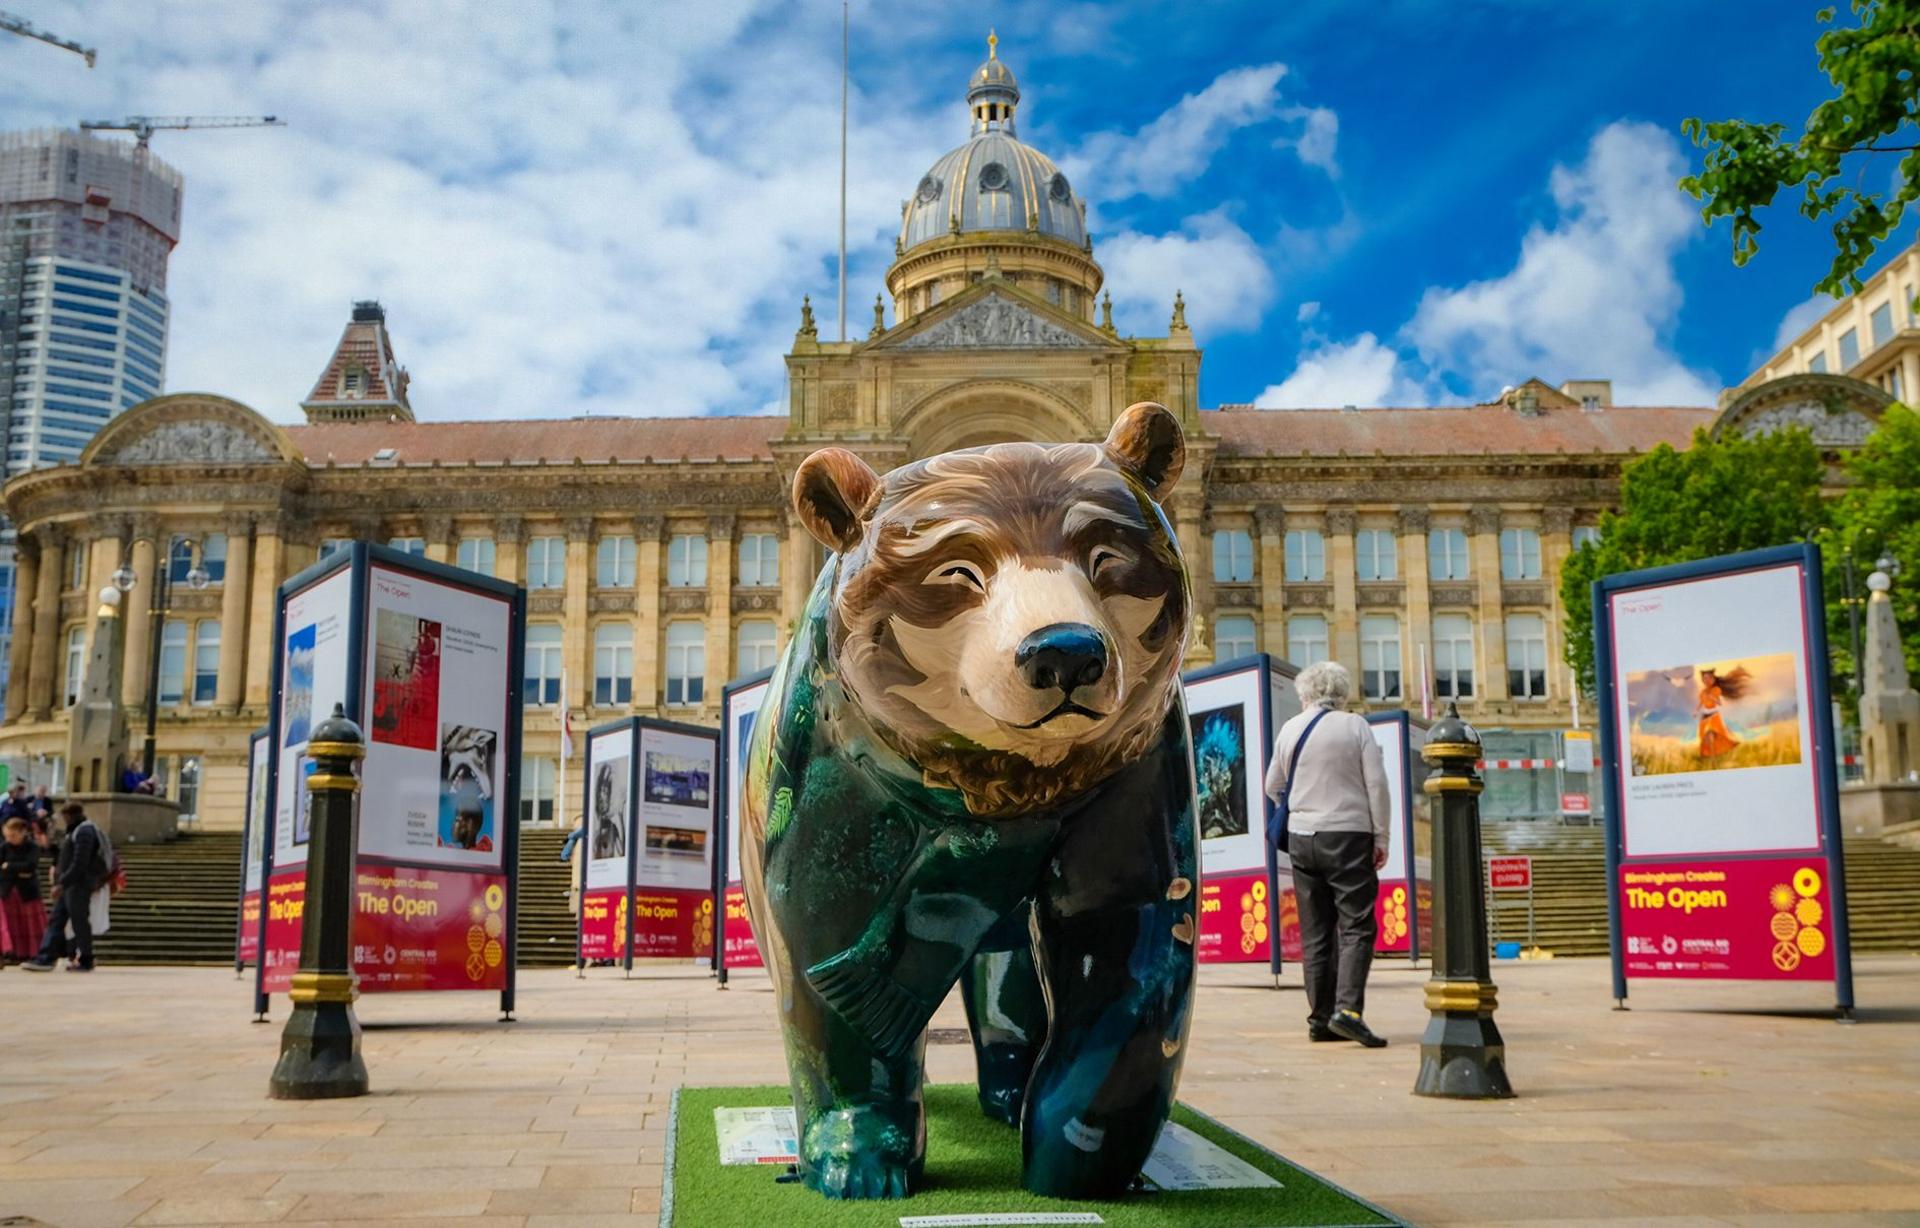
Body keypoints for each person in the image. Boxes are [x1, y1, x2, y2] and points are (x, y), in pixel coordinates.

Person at [1263, 661, 1391, 1048]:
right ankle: (1348, 1011)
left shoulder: (1291, 729)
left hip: (1303, 839)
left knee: (1315, 931)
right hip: (1349, 834)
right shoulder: (1355, 727)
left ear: (1306, 694)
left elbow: (1272, 785)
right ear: (1342, 693)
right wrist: (1381, 836)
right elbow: (1377, 786)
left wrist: (1301, 807)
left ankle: (1319, 1019)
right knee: (1356, 925)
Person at [21, 803, 105, 973]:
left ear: (73, 815)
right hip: (71, 885)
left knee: (79, 921)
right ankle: (46, 958)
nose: (64, 820)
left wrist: (62, 883)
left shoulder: (84, 831)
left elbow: (80, 862)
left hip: (78, 885)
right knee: (57, 920)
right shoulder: (76, 831)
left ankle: (86, 959)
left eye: (65, 817)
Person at [0, 817, 46, 964]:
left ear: (22, 832)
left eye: (13, 835)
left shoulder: (32, 847)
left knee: (30, 924)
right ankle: (11, 952)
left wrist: (9, 867)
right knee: (10, 924)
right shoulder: (4, 847)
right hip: (7, 891)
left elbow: (30, 865)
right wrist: (18, 870)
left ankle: (32, 952)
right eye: (7, 836)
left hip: (27, 892)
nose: (9, 839)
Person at [1696, 666, 1750, 759]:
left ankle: (1713, 755)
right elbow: (1701, 702)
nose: (1707, 680)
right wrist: (1696, 711)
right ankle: (1709, 754)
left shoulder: (1716, 689)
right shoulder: (1703, 691)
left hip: (1713, 716)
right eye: (1704, 678)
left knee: (1712, 734)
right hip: (1704, 717)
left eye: (1709, 677)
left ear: (1713, 679)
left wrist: (1714, 699)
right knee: (1703, 736)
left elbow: (1719, 702)